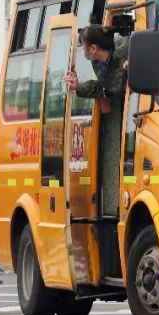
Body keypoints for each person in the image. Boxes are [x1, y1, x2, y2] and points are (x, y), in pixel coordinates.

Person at [63, 25, 127, 217]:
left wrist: (138, 62)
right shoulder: (98, 64)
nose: (81, 50)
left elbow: (154, 46)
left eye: (82, 46)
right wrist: (78, 87)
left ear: (92, 48)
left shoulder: (124, 47)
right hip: (118, 112)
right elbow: (104, 86)